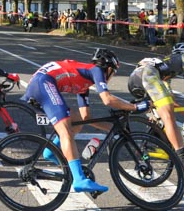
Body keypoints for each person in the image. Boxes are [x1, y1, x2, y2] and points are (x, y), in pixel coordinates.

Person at [24, 48, 152, 195]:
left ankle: (51, 152)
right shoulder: (96, 70)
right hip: (44, 83)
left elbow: (86, 118)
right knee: (65, 131)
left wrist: (113, 128)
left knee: (77, 120)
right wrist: (136, 107)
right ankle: (79, 180)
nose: (111, 76)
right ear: (109, 68)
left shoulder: (83, 82)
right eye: (114, 72)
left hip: (40, 83)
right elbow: (107, 99)